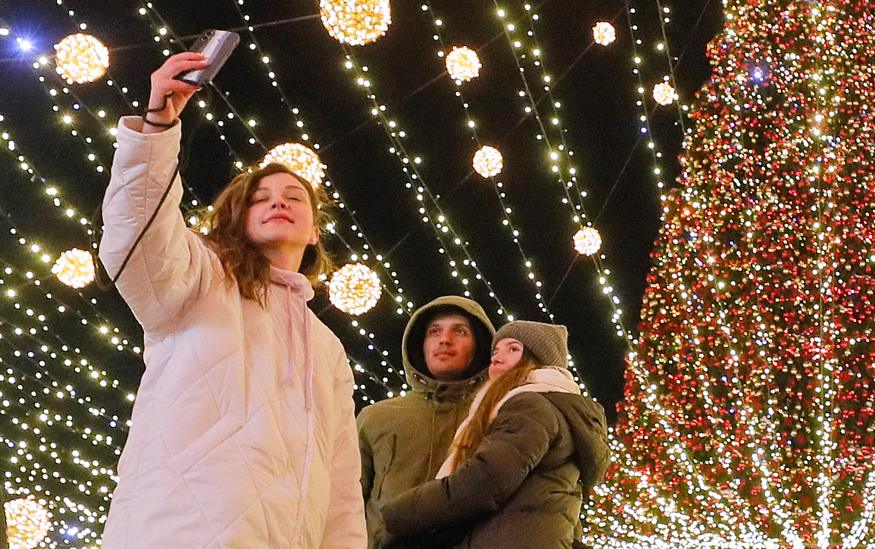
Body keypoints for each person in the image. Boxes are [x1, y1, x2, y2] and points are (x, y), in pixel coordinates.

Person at [99, 52, 365, 547]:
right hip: (180, 530)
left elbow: (342, 483)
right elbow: (135, 236)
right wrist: (156, 128)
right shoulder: (200, 277)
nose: (278, 202)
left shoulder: (327, 349)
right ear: (239, 218)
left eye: (293, 197)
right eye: (261, 198)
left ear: (314, 234)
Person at [379, 320, 611, 548]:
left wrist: (396, 513)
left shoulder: (532, 405)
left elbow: (483, 481)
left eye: (513, 349)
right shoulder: (555, 409)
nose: (497, 356)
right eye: (496, 350)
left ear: (540, 361)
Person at [357, 296, 495, 547]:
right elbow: (345, 500)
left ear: (480, 345)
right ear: (420, 344)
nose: (445, 339)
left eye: (460, 331)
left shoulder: (495, 418)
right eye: (434, 331)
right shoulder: (376, 417)